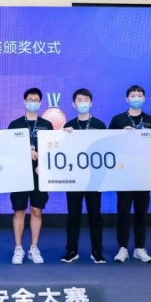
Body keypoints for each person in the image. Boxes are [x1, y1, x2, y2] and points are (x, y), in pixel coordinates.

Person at [109, 85, 151, 263]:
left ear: (144, 98)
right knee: (123, 212)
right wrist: (122, 135)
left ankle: (139, 248)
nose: (136, 98)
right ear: (127, 99)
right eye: (133, 95)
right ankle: (122, 248)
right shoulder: (118, 119)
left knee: (141, 212)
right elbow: (110, 145)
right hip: (123, 173)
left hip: (143, 174)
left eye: (139, 95)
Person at [61, 88, 107, 264]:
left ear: (91, 103)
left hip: (94, 179)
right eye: (79, 100)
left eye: (86, 100)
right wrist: (64, 137)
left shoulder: (100, 125)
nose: (83, 103)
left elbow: (105, 153)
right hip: (74, 178)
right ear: (73, 104)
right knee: (73, 216)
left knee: (95, 215)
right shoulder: (68, 126)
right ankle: (71, 250)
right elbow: (62, 151)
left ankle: (97, 251)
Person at [7, 88, 54, 264]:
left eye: (36, 100)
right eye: (30, 99)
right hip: (19, 175)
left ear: (40, 103)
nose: (33, 102)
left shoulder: (47, 125)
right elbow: (8, 149)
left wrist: (43, 165)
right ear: (24, 102)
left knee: (36, 210)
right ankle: (18, 248)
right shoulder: (15, 124)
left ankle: (34, 247)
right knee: (19, 211)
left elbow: (52, 149)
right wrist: (23, 151)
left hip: (39, 175)